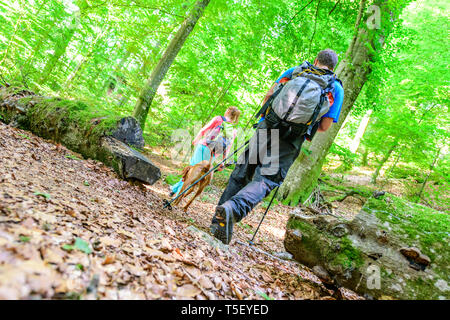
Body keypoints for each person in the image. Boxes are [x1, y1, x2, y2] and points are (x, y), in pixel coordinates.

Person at [210, 49, 344, 244]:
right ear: (333, 67)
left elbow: (268, 97)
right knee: (266, 179)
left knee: (242, 172)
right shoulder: (335, 88)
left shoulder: (296, 71)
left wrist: (267, 121)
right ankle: (233, 209)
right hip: (288, 141)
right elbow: (324, 126)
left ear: (316, 60)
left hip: (266, 129)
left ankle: (217, 222)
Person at [170, 106, 241, 197]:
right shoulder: (233, 131)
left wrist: (196, 139)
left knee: (191, 170)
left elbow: (204, 129)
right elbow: (227, 147)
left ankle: (177, 194)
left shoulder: (218, 119)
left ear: (227, 111)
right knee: (196, 172)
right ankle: (175, 189)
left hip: (204, 146)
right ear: (235, 117)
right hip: (213, 154)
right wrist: (222, 162)